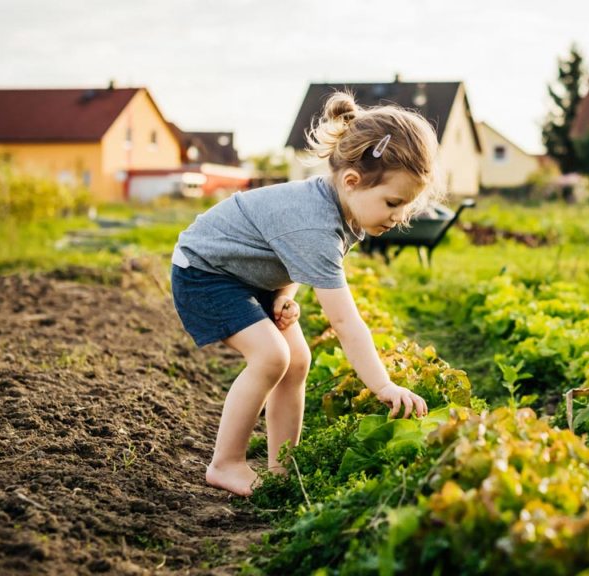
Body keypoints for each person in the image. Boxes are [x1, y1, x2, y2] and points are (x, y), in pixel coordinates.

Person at [170, 92, 436, 496]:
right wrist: (383, 385)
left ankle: (282, 467)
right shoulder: (315, 221)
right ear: (351, 181)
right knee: (271, 356)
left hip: (249, 274)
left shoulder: (340, 209)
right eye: (393, 202)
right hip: (205, 272)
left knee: (297, 361)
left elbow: (283, 248)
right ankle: (226, 464)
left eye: (406, 207)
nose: (399, 218)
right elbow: (345, 322)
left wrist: (283, 294)